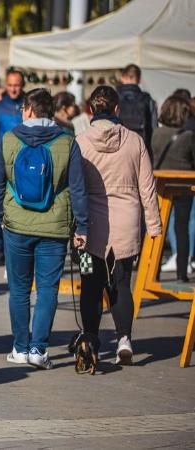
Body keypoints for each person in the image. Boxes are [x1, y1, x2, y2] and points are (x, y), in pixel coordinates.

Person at [0, 88, 89, 370]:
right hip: (55, 229)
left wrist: (2, 215)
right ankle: (38, 349)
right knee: (47, 291)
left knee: (19, 290)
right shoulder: (68, 142)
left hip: (16, 226)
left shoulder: (9, 140)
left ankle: (19, 348)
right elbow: (79, 190)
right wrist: (81, 225)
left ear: (29, 110)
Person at [76, 85, 161, 366]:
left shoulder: (80, 141)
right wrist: (155, 227)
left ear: (90, 110)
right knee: (121, 285)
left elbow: (73, 187)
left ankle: (90, 338)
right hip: (126, 223)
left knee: (90, 284)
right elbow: (147, 188)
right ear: (116, 109)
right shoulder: (135, 141)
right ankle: (124, 338)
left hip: (90, 227)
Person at [0, 70, 25, 264]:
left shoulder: (28, 105)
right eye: (10, 85)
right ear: (5, 85)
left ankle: (17, 242)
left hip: (25, 163)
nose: (13, 88)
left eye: (17, 85)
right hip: (1, 161)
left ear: (22, 85)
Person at [152, 96, 195, 282]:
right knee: (181, 228)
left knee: (158, 228)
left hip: (161, 184)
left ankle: (154, 271)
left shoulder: (157, 134)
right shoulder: (188, 136)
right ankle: (181, 273)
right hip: (183, 185)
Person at [117, 64, 158, 157]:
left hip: (118, 149)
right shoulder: (147, 99)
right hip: (141, 149)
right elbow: (154, 127)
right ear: (139, 79)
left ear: (122, 77)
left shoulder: (114, 97)